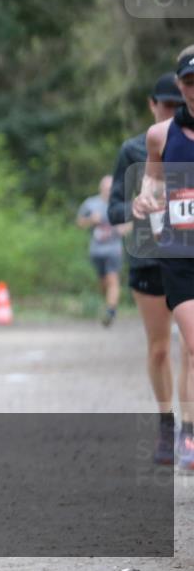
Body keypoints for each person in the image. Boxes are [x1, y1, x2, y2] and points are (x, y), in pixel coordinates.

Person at [109, 73, 191, 466]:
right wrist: (138, 211)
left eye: (179, 103)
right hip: (150, 260)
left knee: (191, 349)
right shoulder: (136, 149)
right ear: (152, 105)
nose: (173, 110)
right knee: (160, 349)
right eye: (166, 104)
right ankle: (166, 422)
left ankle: (189, 432)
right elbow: (115, 209)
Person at [133, 46, 194, 472]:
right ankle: (188, 436)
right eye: (190, 84)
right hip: (182, 254)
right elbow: (152, 184)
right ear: (179, 86)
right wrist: (145, 199)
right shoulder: (161, 135)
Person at [77, 176, 125, 326]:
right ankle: (108, 305)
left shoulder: (120, 204)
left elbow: (130, 222)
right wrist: (91, 220)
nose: (108, 191)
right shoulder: (91, 203)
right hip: (96, 250)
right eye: (105, 188)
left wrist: (121, 229)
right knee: (103, 282)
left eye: (110, 188)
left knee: (113, 279)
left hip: (114, 249)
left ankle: (111, 310)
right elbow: (79, 222)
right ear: (100, 188)